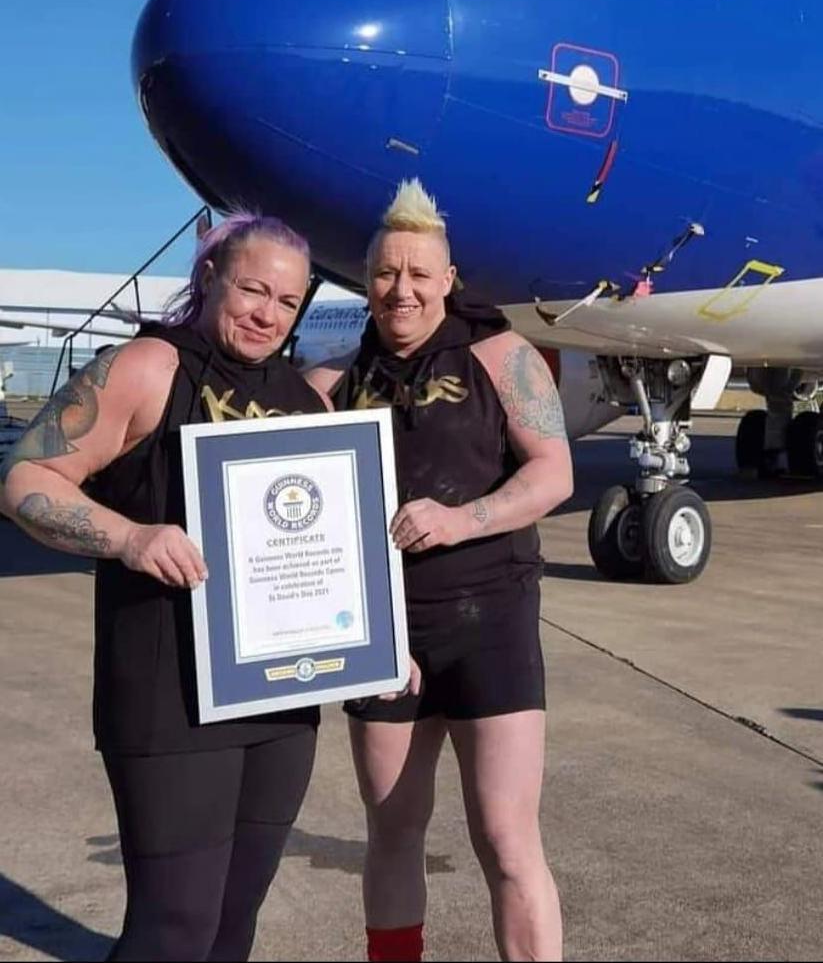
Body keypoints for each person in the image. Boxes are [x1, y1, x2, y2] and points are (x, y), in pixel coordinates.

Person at [0, 212, 330, 962]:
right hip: (168, 696)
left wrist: (376, 639)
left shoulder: (305, 400)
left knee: (233, 922)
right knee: (172, 930)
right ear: (209, 278)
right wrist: (130, 536)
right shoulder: (148, 366)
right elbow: (25, 480)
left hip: (281, 696)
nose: (267, 313)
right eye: (251, 289)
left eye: (286, 301)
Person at [307, 180, 574, 963]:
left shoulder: (502, 355)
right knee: (392, 829)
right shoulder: (333, 381)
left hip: (488, 623)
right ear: (366, 280)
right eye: (387, 273)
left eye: (420, 274)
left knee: (505, 836)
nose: (403, 289)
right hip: (382, 635)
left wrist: (462, 519)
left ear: (448, 280)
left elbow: (552, 474)